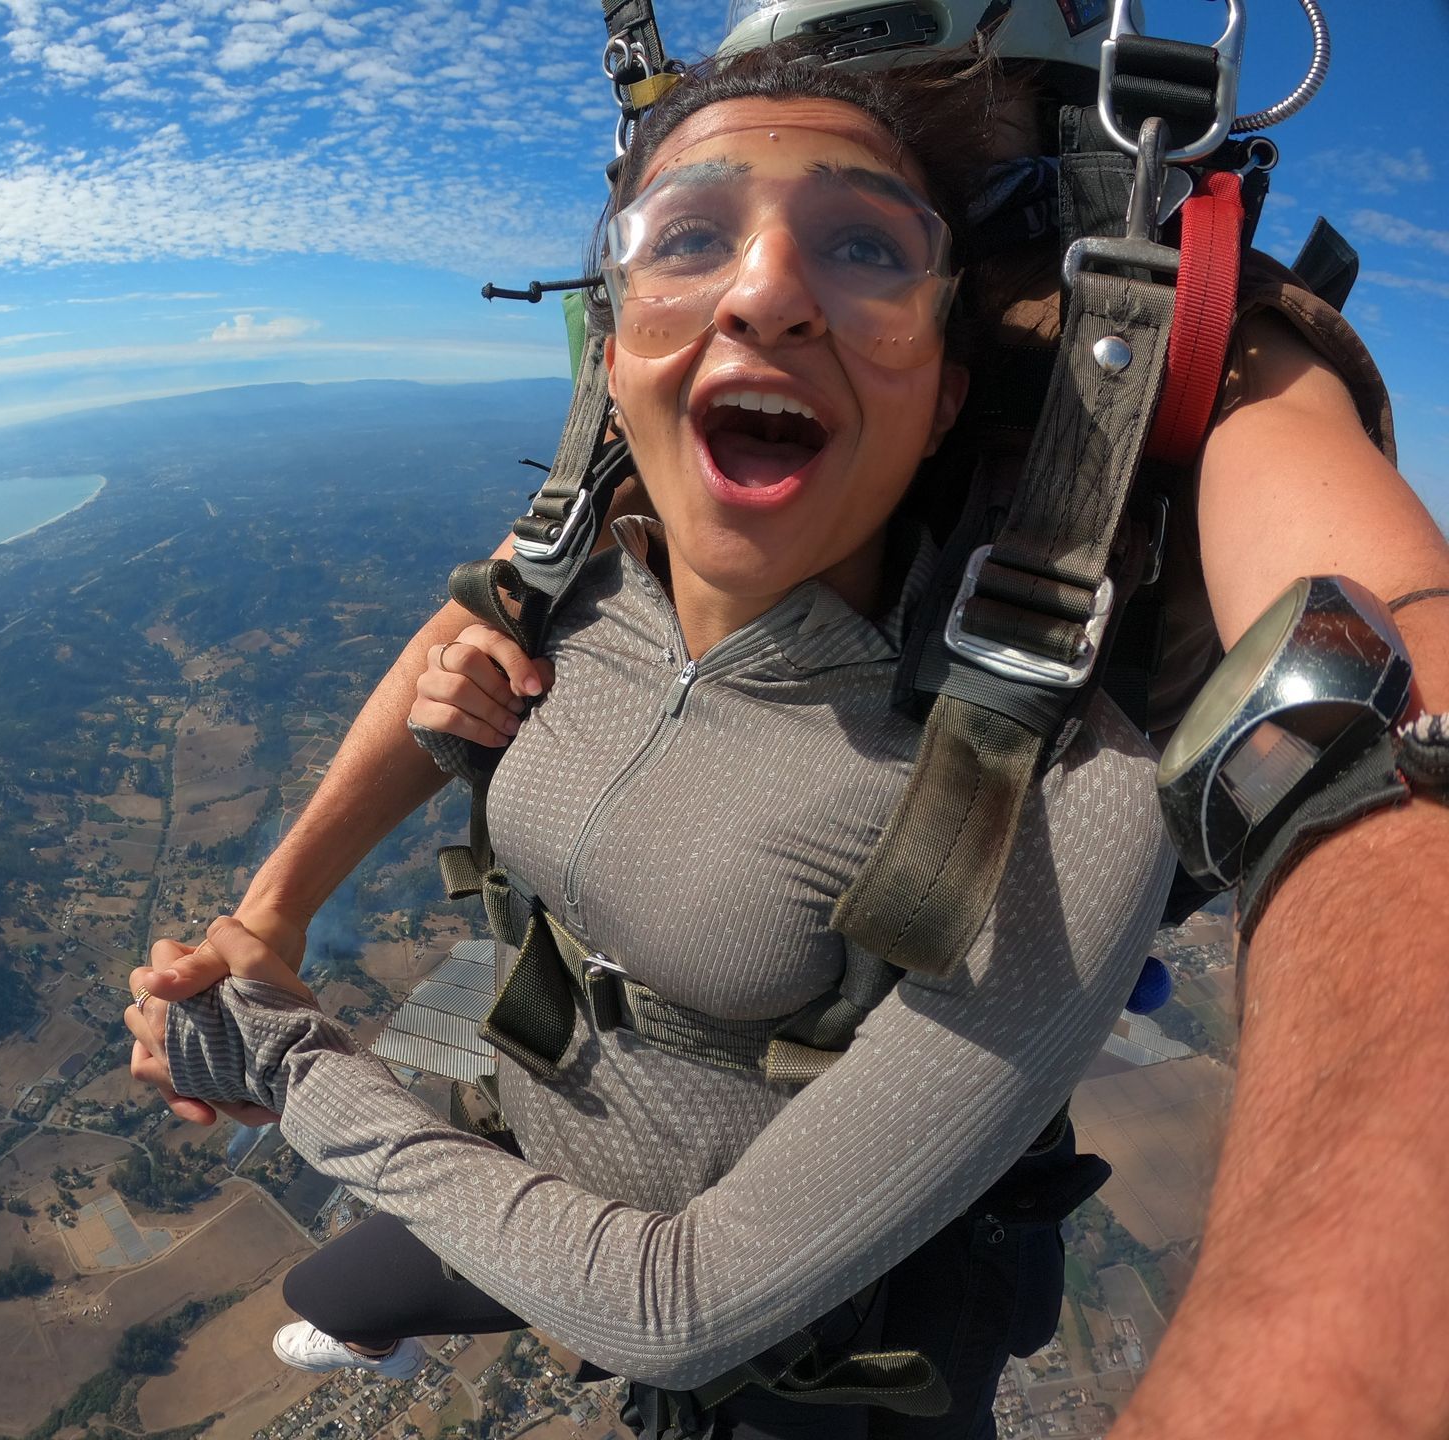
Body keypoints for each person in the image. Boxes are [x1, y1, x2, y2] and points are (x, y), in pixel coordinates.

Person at [133, 12, 1449, 1440]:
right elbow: (462, 630)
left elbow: (677, 1312)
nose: (764, 293)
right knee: (349, 1284)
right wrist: (270, 918)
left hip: (809, 1351)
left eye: (867, 247)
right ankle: (393, 1298)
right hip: (546, 1145)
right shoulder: (596, 572)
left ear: (949, 392)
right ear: (615, 358)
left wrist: (284, 1060)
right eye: (689, 239)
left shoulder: (1062, 794)